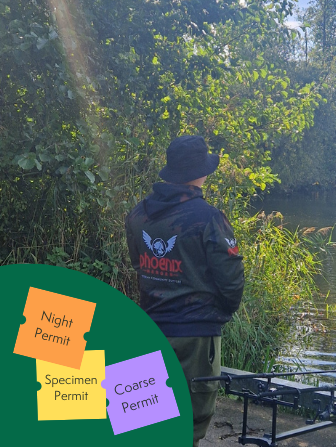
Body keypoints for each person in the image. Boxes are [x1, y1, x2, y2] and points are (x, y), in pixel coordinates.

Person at [125, 135, 244, 447]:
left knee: (144, 420)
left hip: (147, 329)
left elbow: (139, 264)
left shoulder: (137, 215)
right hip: (195, 335)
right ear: (201, 173)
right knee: (187, 425)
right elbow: (231, 282)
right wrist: (220, 313)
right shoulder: (209, 218)